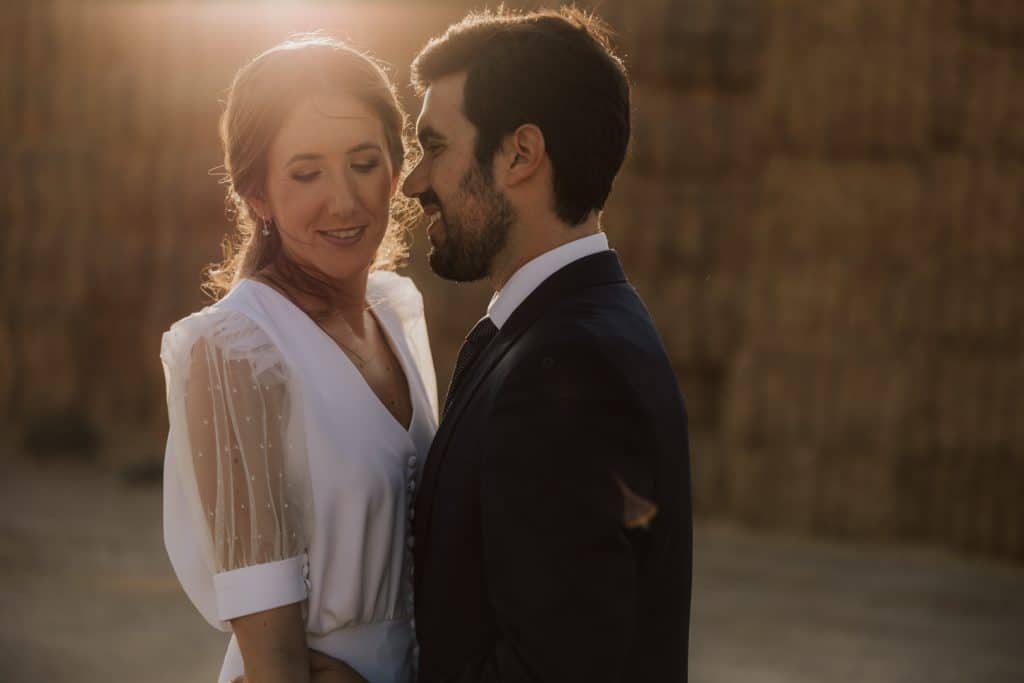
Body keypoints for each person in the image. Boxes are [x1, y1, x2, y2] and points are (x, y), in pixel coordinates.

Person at [403, 7, 692, 682]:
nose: (413, 182)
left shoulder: (566, 371)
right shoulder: (577, 327)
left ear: (520, 154)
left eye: (435, 147)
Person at [160, 35, 437, 683]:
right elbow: (276, 660)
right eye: (306, 173)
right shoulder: (237, 350)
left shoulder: (396, 310)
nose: (344, 200)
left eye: (364, 163)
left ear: (397, 171)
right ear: (258, 195)